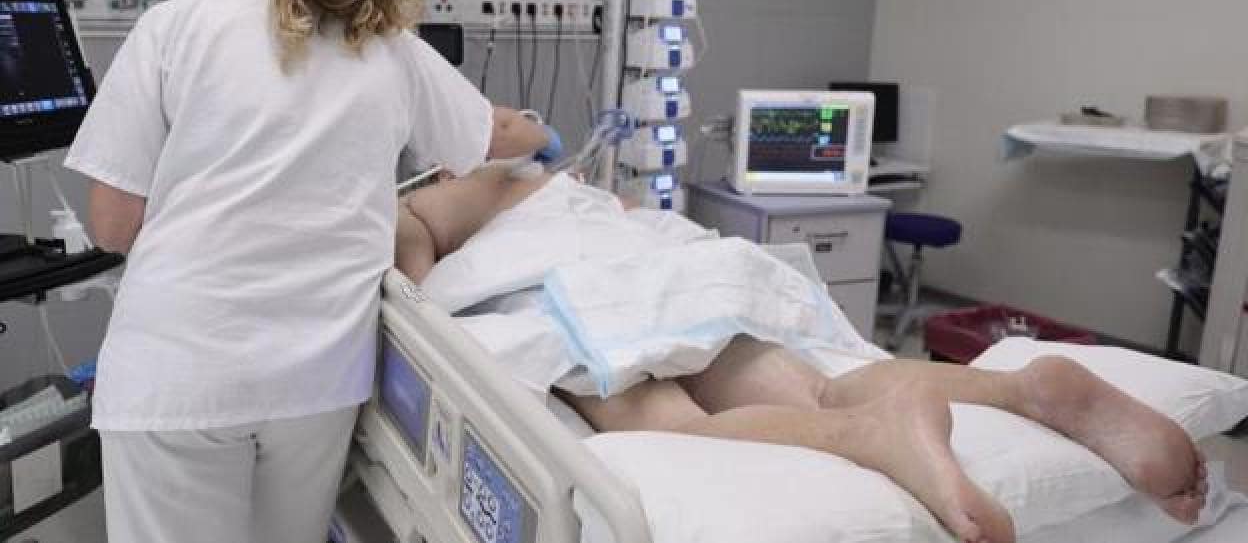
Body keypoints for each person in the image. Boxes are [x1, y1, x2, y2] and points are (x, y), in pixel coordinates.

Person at [63, 0, 551, 543]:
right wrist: (545, 134)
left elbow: (111, 225)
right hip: (313, 384)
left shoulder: (174, 28)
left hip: (181, 373)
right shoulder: (383, 41)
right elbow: (493, 137)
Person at [395, 165, 1209, 543]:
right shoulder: (585, 190)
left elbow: (415, 271)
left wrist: (412, 269)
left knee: (662, 421)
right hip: (689, 275)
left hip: (585, 300)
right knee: (817, 388)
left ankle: (876, 437)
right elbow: (624, 211)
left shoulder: (473, 188)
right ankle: (1022, 389)